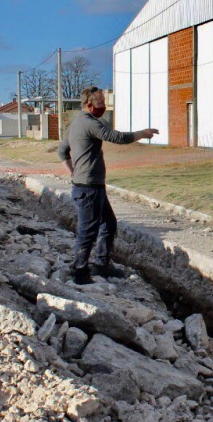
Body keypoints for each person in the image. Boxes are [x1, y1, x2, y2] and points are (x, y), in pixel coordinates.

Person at [57, 86, 158, 285]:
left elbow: (62, 152)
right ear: (89, 104)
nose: (104, 106)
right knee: (87, 231)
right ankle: (80, 272)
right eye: (100, 103)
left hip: (93, 186)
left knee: (109, 224)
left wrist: (72, 172)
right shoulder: (88, 123)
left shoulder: (76, 123)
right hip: (88, 189)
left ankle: (101, 265)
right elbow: (117, 137)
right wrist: (142, 133)